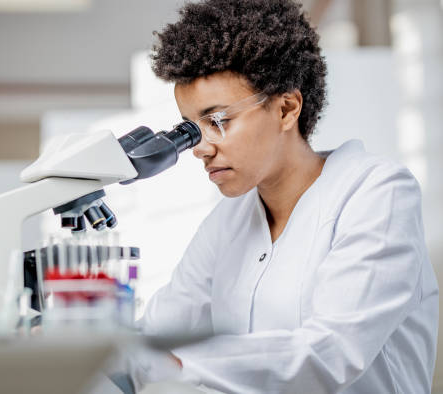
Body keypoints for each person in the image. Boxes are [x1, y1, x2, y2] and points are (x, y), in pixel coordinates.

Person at [136, 0, 439, 393]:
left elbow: (330, 353)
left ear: (286, 108)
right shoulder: (227, 224)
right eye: (191, 128)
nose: (200, 148)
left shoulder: (376, 193)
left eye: (218, 121)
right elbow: (158, 331)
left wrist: (180, 363)